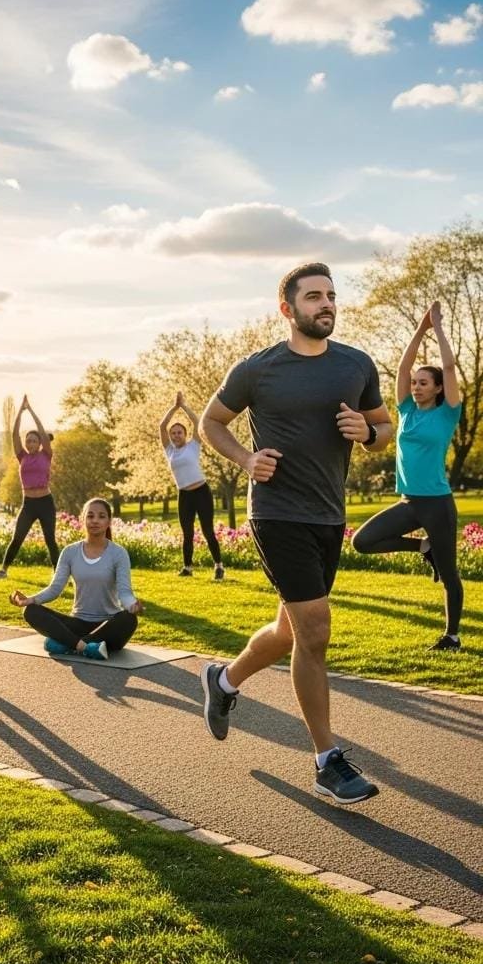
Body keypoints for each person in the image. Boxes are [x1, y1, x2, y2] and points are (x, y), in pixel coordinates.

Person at [198, 262, 393, 805]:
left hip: (328, 515)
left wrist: (370, 432)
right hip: (278, 513)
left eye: (331, 295)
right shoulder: (257, 370)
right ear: (287, 309)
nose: (326, 304)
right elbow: (210, 422)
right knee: (315, 632)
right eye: (313, 297)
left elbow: (383, 428)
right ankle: (327, 761)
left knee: (289, 632)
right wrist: (245, 458)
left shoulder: (356, 364)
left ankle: (224, 681)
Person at [352, 302, 463, 650]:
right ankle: (422, 547)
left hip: (437, 504)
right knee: (363, 541)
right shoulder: (406, 410)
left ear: (438, 388)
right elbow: (401, 366)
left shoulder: (448, 414)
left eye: (423, 383)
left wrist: (439, 327)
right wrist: (420, 328)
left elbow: (447, 365)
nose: (415, 387)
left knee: (449, 574)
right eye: (414, 383)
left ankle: (452, 636)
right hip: (409, 503)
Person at [9, 497, 142, 659]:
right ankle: (85, 647)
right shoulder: (70, 552)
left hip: (108, 626)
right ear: (83, 519)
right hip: (77, 624)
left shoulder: (118, 553)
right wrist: (29, 600)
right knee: (31, 611)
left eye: (101, 516)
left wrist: (132, 605)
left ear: (108, 522)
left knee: (129, 619)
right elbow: (55, 589)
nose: (95, 520)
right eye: (90, 516)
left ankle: (68, 644)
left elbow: (124, 593)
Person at [159, 391, 224, 580]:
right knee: (187, 533)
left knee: (207, 531)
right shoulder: (169, 450)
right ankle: (187, 567)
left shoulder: (193, 445)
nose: (176, 435)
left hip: (202, 492)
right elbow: (162, 426)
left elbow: (198, 423)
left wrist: (184, 406)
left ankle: (219, 566)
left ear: (185, 434)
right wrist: (174, 407)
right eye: (173, 433)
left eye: (179, 432)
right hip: (184, 495)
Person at [0, 395, 59, 578]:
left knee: (50, 540)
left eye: (33, 441)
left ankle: (58, 574)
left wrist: (31, 411)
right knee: (17, 538)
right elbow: (14, 434)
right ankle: (3, 570)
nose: (30, 443)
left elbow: (42, 431)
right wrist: (20, 412)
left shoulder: (46, 454)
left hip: (45, 502)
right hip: (28, 504)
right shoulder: (22, 456)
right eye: (28, 440)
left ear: (40, 443)